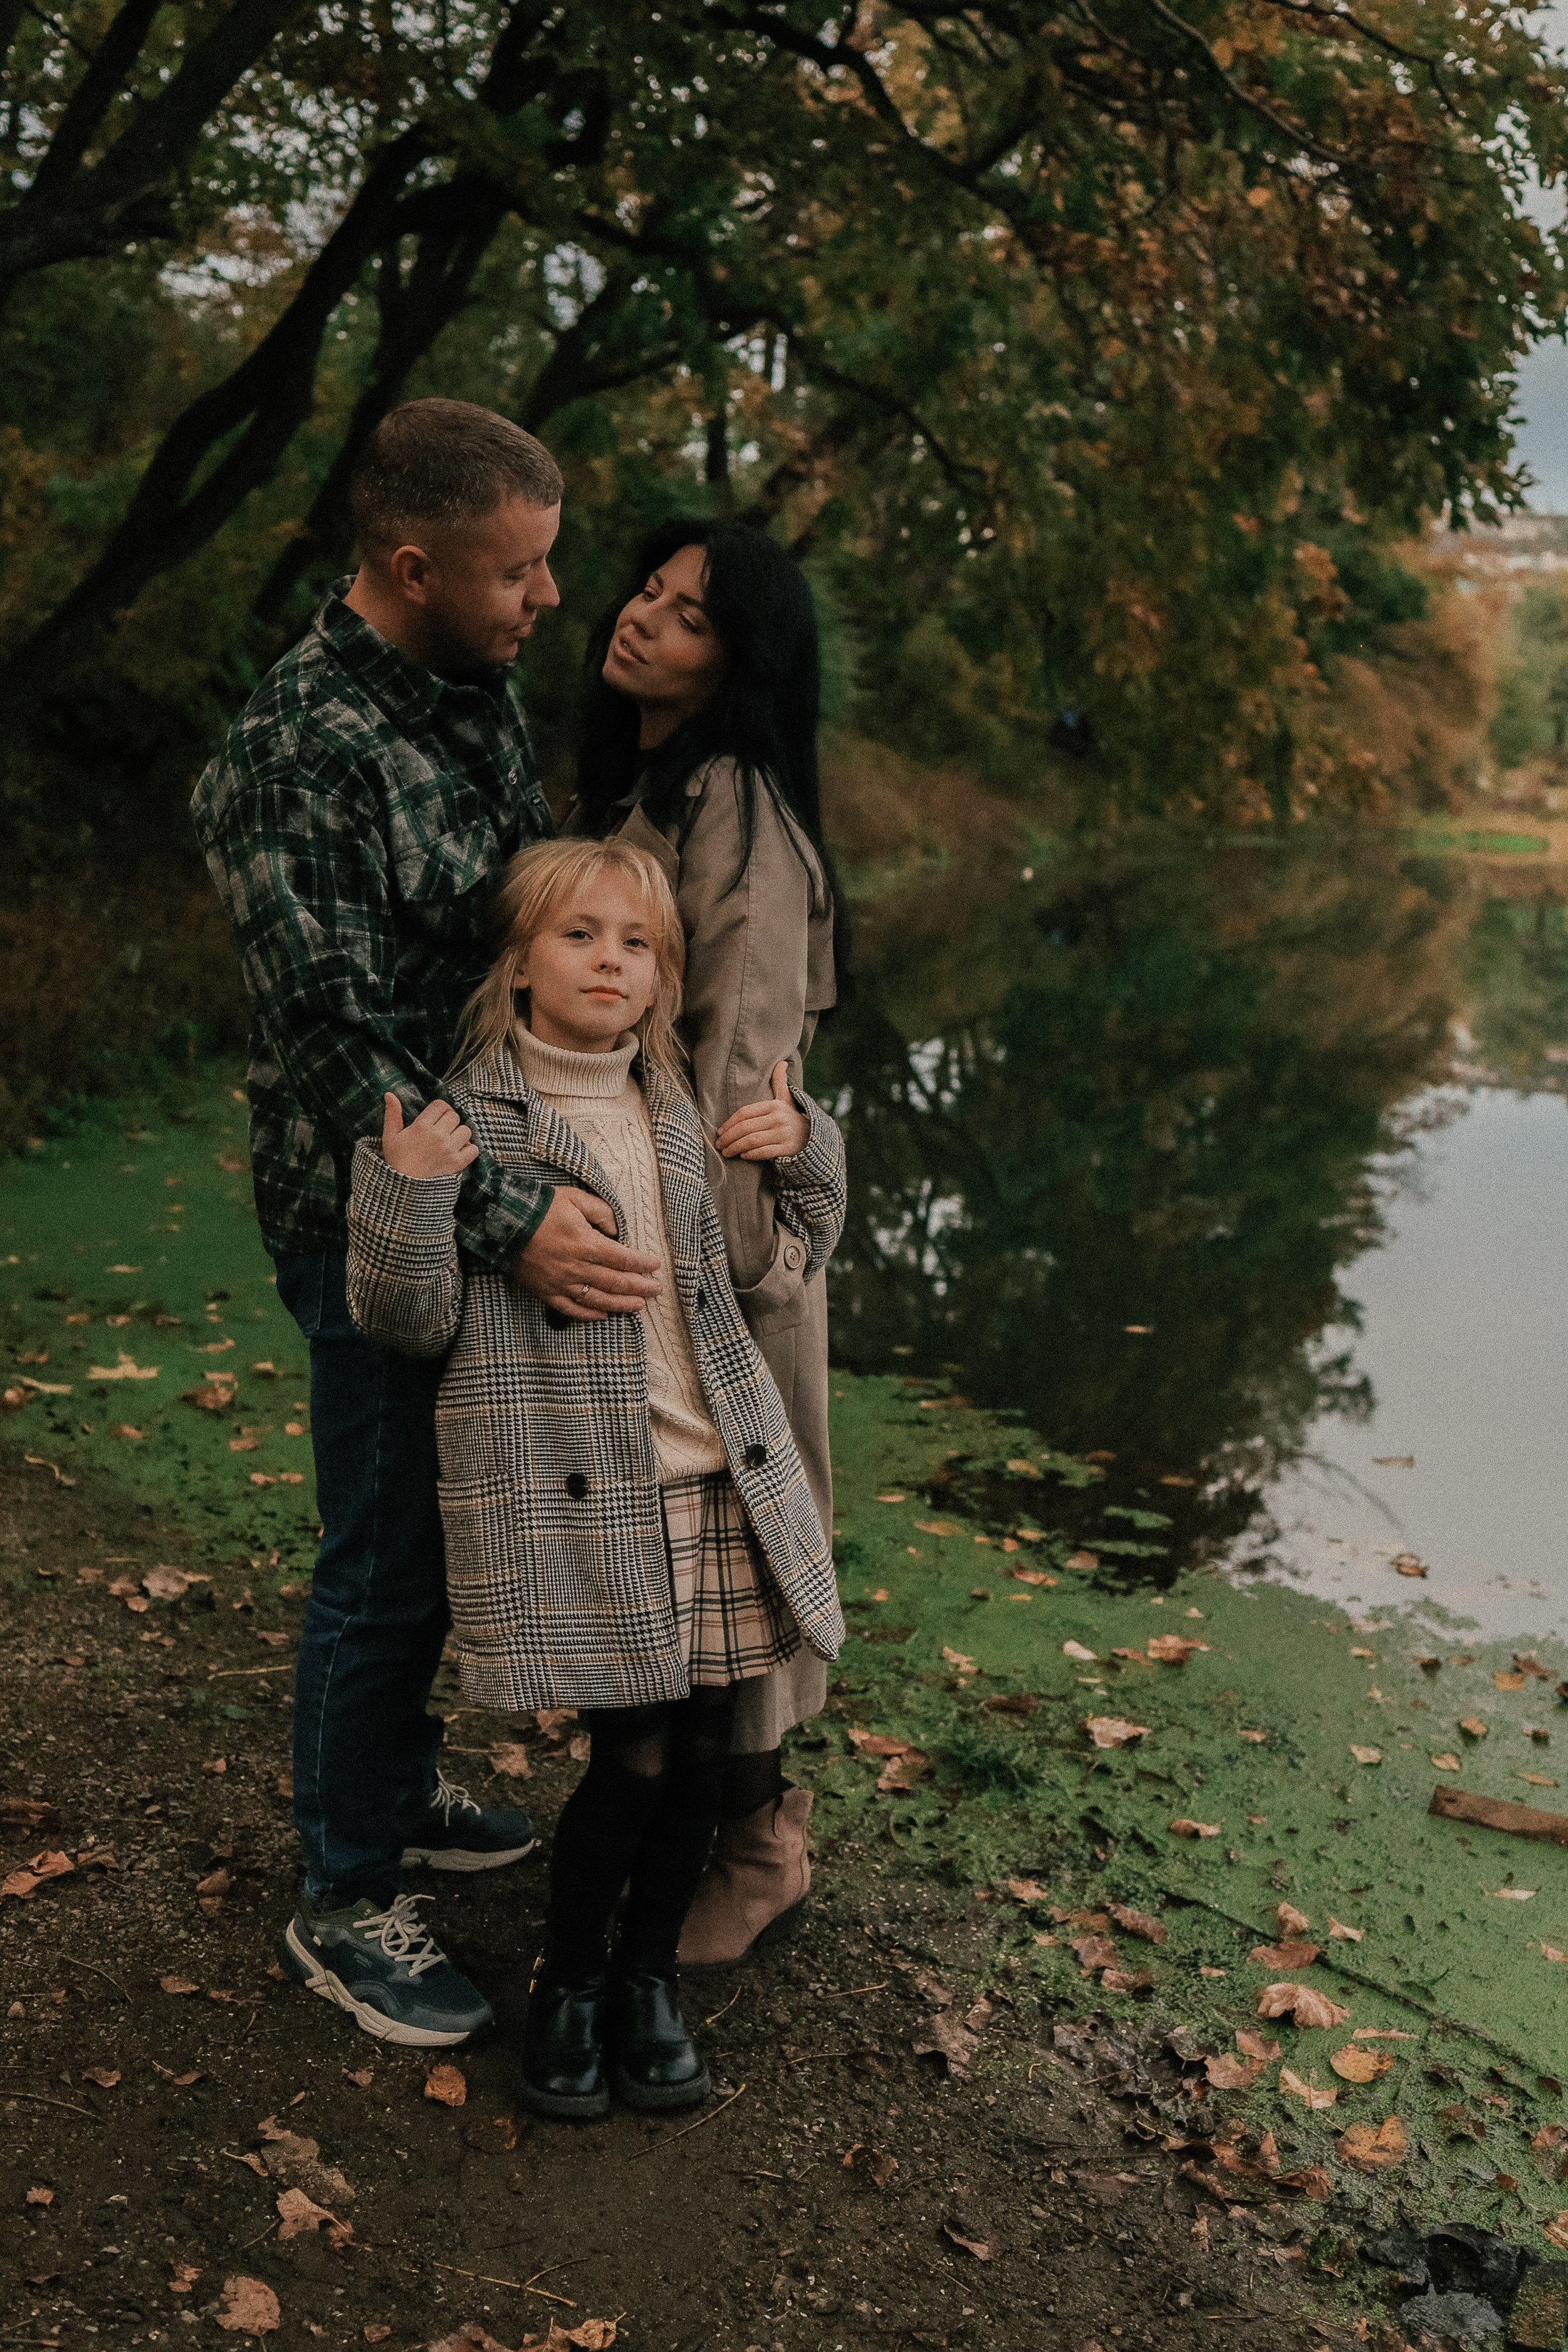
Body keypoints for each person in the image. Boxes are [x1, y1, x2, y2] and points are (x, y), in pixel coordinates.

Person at [191, 399, 663, 2050]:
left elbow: (496, 927)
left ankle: (391, 1783)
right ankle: (342, 1887)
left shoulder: (468, 693)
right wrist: (517, 1212)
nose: (549, 597)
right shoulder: (297, 752)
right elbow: (335, 1043)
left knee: (433, 1530)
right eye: (519, 570)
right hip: (362, 1214)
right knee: (383, 1555)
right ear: (413, 566)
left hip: (469, 1200)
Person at [345, 836, 846, 2116]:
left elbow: (793, 1256)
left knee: (702, 1754)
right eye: (580, 936)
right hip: (585, 1498)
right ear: (518, 966)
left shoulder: (674, 1105)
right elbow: (404, 1318)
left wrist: (803, 1143)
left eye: (637, 943)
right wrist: (407, 1197)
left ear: (666, 978)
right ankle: (570, 1985)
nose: (611, 960)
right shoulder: (465, 1119)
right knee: (630, 1757)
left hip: (709, 1476)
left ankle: (646, 1982)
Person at [572, 520, 843, 1965]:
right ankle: (651, 1826)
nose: (643, 622)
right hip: (621, 1223)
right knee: (657, 1554)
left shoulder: (732, 802)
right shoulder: (636, 786)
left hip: (715, 1250)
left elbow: (738, 1060)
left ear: (738, 661)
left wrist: (726, 1268)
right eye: (646, 594)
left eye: (687, 617)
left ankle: (761, 1843)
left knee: (737, 1549)